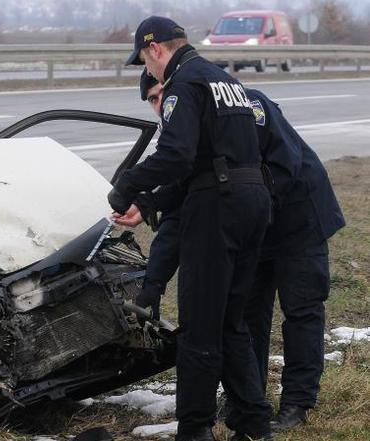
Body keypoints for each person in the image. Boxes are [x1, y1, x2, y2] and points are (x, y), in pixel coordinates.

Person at [125, 71, 346, 432]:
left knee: (302, 313)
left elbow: (285, 164)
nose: (162, 104)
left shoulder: (245, 105)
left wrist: (244, 211)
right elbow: (180, 210)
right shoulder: (182, 139)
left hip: (297, 219)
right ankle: (249, 398)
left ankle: (297, 401)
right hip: (249, 230)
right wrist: (153, 282)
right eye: (152, 99)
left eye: (163, 93)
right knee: (245, 317)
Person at [108, 17, 274, 441]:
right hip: (251, 202)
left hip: (216, 212)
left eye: (145, 59)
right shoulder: (224, 80)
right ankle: (254, 424)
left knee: (200, 326)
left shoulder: (184, 84)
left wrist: (127, 185)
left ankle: (195, 428)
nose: (149, 68)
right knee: (230, 322)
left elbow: (177, 157)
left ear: (156, 50)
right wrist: (149, 204)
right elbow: (206, 163)